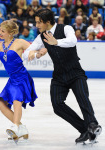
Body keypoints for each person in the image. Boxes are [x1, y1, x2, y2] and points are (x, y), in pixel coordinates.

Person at [23, 8, 102, 144]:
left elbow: (72, 41)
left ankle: (92, 125)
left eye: (39, 22)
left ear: (47, 22)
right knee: (57, 105)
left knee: (83, 98)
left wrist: (57, 42)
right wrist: (35, 54)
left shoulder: (66, 28)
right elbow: (26, 53)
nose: (37, 25)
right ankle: (85, 129)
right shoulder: (41, 36)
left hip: (75, 72)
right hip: (59, 76)